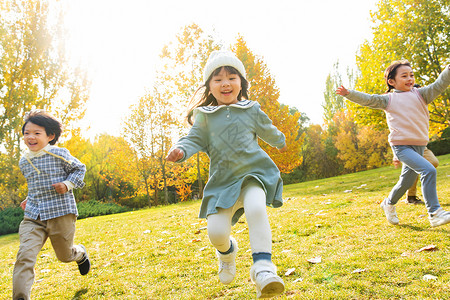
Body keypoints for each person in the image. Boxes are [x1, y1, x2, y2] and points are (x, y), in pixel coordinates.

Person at [166, 50, 287, 298]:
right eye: (218, 79)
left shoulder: (251, 109)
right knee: (217, 234)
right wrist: (180, 150)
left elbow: (268, 128)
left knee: (256, 208)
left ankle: (263, 268)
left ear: (241, 82)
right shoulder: (205, 117)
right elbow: (192, 139)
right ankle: (227, 252)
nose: (225, 83)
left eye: (232, 77)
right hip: (222, 182)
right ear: (209, 87)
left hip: (253, 174)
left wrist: (280, 141)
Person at [336, 60, 450, 227]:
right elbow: (368, 99)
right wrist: (349, 93)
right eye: (404, 76)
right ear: (392, 81)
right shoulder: (388, 100)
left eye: (411, 75)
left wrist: (448, 69)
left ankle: (388, 203)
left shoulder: (421, 94)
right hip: (402, 146)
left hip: (419, 146)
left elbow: (439, 84)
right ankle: (434, 212)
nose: (410, 79)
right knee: (428, 170)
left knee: (405, 182)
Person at [13, 110, 90, 300]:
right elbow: (35, 184)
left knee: (65, 256)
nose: (30, 137)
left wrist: (67, 184)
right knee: (25, 257)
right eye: (27, 133)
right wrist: (28, 198)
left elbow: (79, 168)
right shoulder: (24, 161)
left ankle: (79, 253)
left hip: (60, 212)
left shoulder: (59, 154)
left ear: (50, 136)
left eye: (37, 133)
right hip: (34, 216)